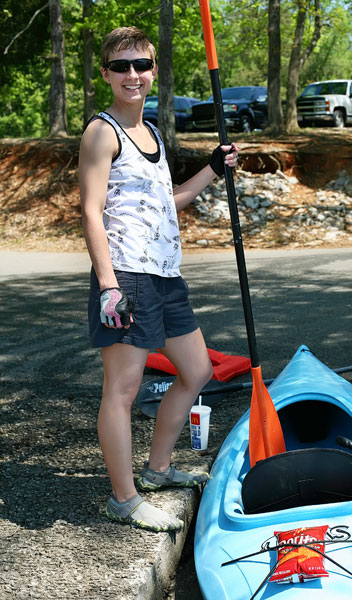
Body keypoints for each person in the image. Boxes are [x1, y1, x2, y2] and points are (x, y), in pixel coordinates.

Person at [79, 26, 239, 532]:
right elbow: (90, 210)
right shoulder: (102, 131)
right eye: (121, 66)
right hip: (126, 275)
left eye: (141, 65)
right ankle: (124, 499)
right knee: (122, 391)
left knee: (196, 372)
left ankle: (158, 470)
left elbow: (164, 204)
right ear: (105, 73)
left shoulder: (152, 134)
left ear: (153, 72)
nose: (133, 75)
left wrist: (213, 169)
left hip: (166, 275)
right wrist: (108, 285)